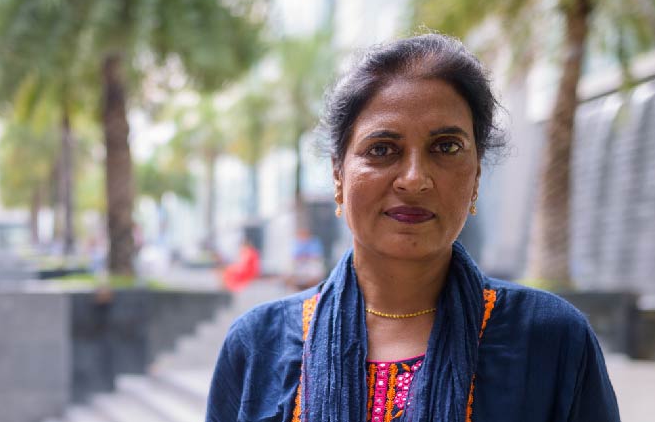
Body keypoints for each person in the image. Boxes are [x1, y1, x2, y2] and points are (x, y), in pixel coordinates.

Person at [207, 34, 620, 422]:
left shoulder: (550, 339)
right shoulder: (259, 345)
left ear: (476, 175)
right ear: (338, 175)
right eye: (382, 150)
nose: (414, 179)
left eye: (446, 148)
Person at [288, 226, 325, 291]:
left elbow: (316, 255)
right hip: (300, 263)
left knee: (316, 268)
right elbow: (294, 255)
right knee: (291, 268)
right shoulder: (296, 242)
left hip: (311, 262)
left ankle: (313, 287)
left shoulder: (314, 241)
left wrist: (306, 257)